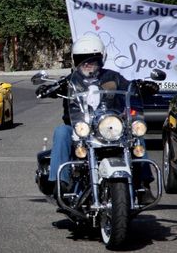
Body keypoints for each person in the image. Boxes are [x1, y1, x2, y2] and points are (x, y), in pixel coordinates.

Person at [42, 34, 155, 202]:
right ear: (75, 60)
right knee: (61, 132)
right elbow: (53, 88)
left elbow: (130, 87)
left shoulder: (114, 77)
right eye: (82, 59)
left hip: (109, 127)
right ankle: (60, 183)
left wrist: (144, 86)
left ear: (102, 59)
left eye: (92, 59)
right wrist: (48, 89)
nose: (87, 63)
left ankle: (144, 184)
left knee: (136, 131)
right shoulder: (70, 81)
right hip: (81, 129)